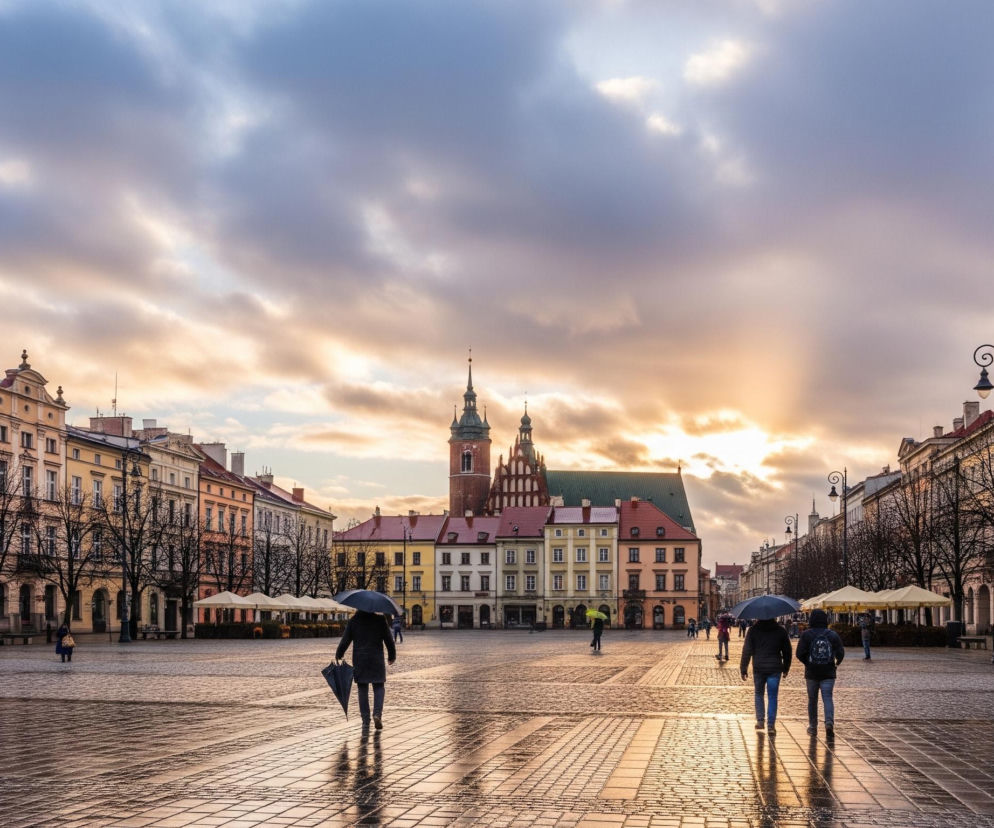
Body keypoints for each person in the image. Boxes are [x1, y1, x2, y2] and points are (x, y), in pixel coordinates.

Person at [335, 610, 397, 730]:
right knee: (379, 686)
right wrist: (392, 655)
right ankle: (377, 714)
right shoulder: (380, 620)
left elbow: (345, 640)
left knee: (362, 689)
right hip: (376, 658)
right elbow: (389, 640)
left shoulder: (354, 621)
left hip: (360, 659)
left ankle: (365, 721)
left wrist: (339, 653)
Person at [796, 609, 845, 736]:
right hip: (828, 672)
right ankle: (829, 723)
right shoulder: (832, 635)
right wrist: (836, 663)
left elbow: (799, 653)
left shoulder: (807, 635)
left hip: (811, 673)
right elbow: (841, 653)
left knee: (812, 700)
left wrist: (808, 663)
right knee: (827, 697)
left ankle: (813, 727)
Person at [740, 617, 791, 735]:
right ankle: (771, 725)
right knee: (773, 696)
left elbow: (747, 650)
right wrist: (786, 667)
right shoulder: (780, 631)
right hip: (775, 668)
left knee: (759, 694)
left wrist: (743, 669)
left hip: (759, 668)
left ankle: (760, 721)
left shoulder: (753, 630)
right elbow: (787, 651)